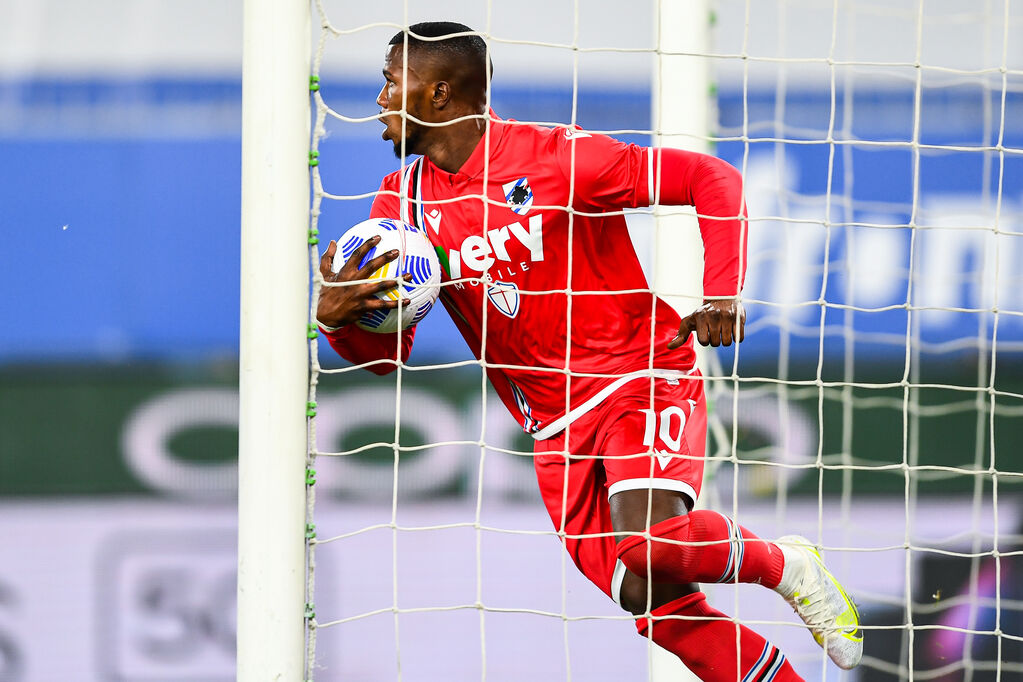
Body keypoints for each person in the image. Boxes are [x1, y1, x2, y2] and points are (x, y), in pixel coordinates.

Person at [316, 21, 862, 681]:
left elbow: (710, 180)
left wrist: (721, 295)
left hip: (639, 375)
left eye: (389, 79)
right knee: (651, 602)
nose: (378, 97)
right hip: (554, 426)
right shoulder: (398, 207)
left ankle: (786, 565)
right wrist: (340, 320)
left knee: (648, 542)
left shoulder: (553, 158)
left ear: (438, 94)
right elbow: (386, 358)